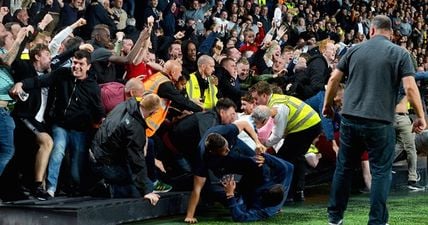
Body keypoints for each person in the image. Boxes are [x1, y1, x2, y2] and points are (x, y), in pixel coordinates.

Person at [323, 15, 426, 225]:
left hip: (350, 119)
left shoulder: (353, 50)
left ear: (371, 30)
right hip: (380, 122)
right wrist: (421, 116)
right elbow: (409, 87)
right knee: (381, 172)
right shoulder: (400, 53)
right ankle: (377, 221)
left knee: (343, 169)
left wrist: (327, 106)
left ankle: (334, 218)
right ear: (391, 33)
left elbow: (333, 78)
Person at [250, 81, 322, 202]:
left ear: (264, 95)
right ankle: (296, 192)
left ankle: (285, 192)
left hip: (306, 126)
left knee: (284, 159)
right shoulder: (276, 100)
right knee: (294, 157)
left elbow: (278, 135)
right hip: (309, 124)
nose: (255, 102)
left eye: (256, 99)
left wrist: (264, 144)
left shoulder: (277, 107)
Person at [184, 120, 266, 223]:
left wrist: (257, 142)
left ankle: (265, 199)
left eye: (227, 147)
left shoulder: (226, 130)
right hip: (222, 164)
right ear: (212, 151)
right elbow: (196, 189)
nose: (227, 150)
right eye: (225, 150)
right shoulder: (202, 157)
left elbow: (244, 123)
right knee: (221, 187)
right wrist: (189, 215)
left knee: (259, 163)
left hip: (237, 147)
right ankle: (242, 197)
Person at [90, 94, 161, 205]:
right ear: (154, 112)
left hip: (98, 152)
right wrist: (146, 191)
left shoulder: (125, 105)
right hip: (105, 163)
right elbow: (136, 160)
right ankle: (107, 189)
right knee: (143, 188)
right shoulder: (134, 128)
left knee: (143, 181)